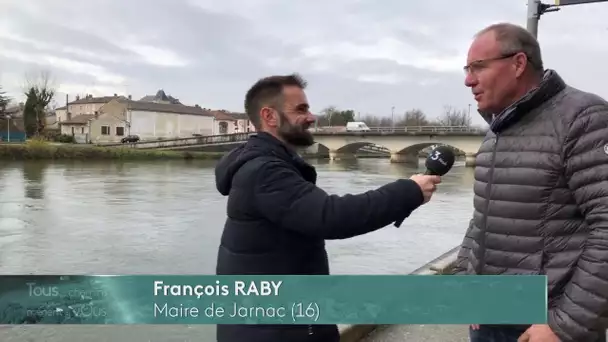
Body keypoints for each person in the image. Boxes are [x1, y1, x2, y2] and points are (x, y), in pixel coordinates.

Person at [214, 74, 442, 342]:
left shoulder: (266, 163)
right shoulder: (265, 171)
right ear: (270, 116)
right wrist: (409, 191)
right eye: (301, 109)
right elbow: (332, 216)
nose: (312, 117)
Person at [453, 22, 608, 342]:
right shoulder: (497, 128)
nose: (468, 80)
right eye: (467, 69)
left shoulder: (583, 118)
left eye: (478, 67)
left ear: (518, 63)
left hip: (544, 326)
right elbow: (483, 216)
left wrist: (565, 324)